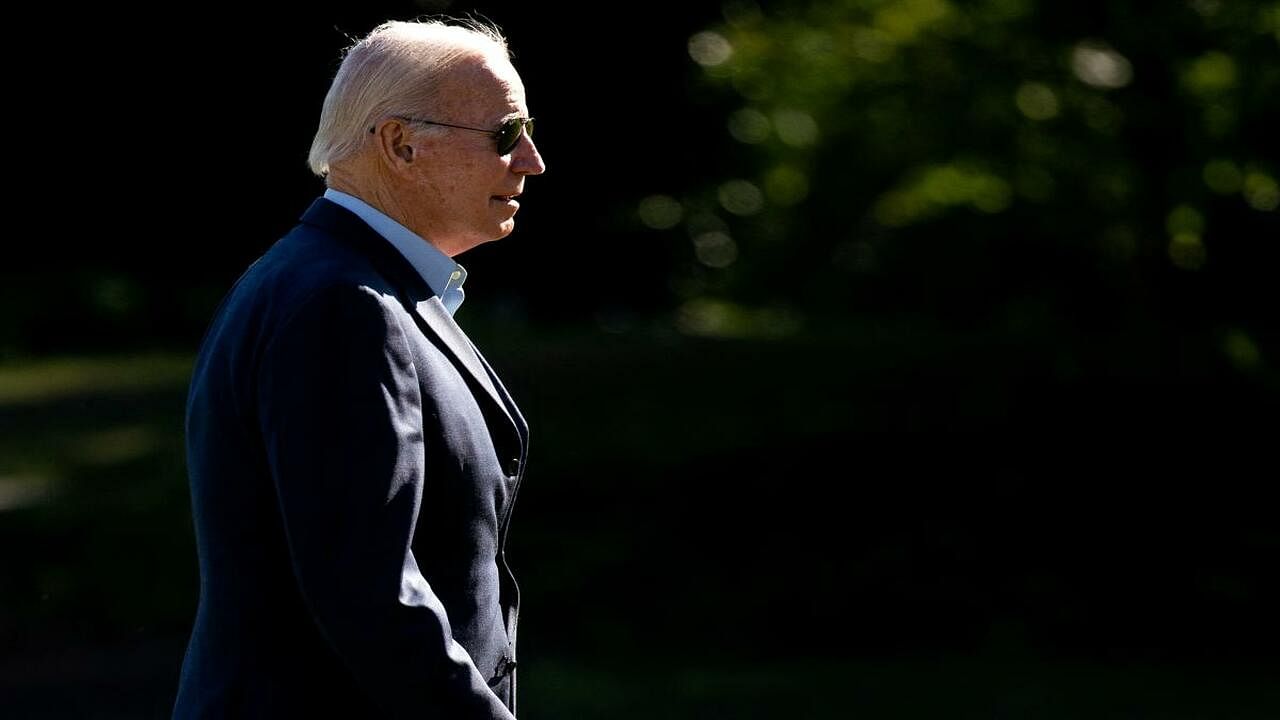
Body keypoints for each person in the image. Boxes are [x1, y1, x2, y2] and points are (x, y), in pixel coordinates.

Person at [173, 17, 545, 719]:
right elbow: (367, 592)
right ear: (401, 144)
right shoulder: (342, 304)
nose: (531, 160)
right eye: (505, 133)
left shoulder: (333, 282)